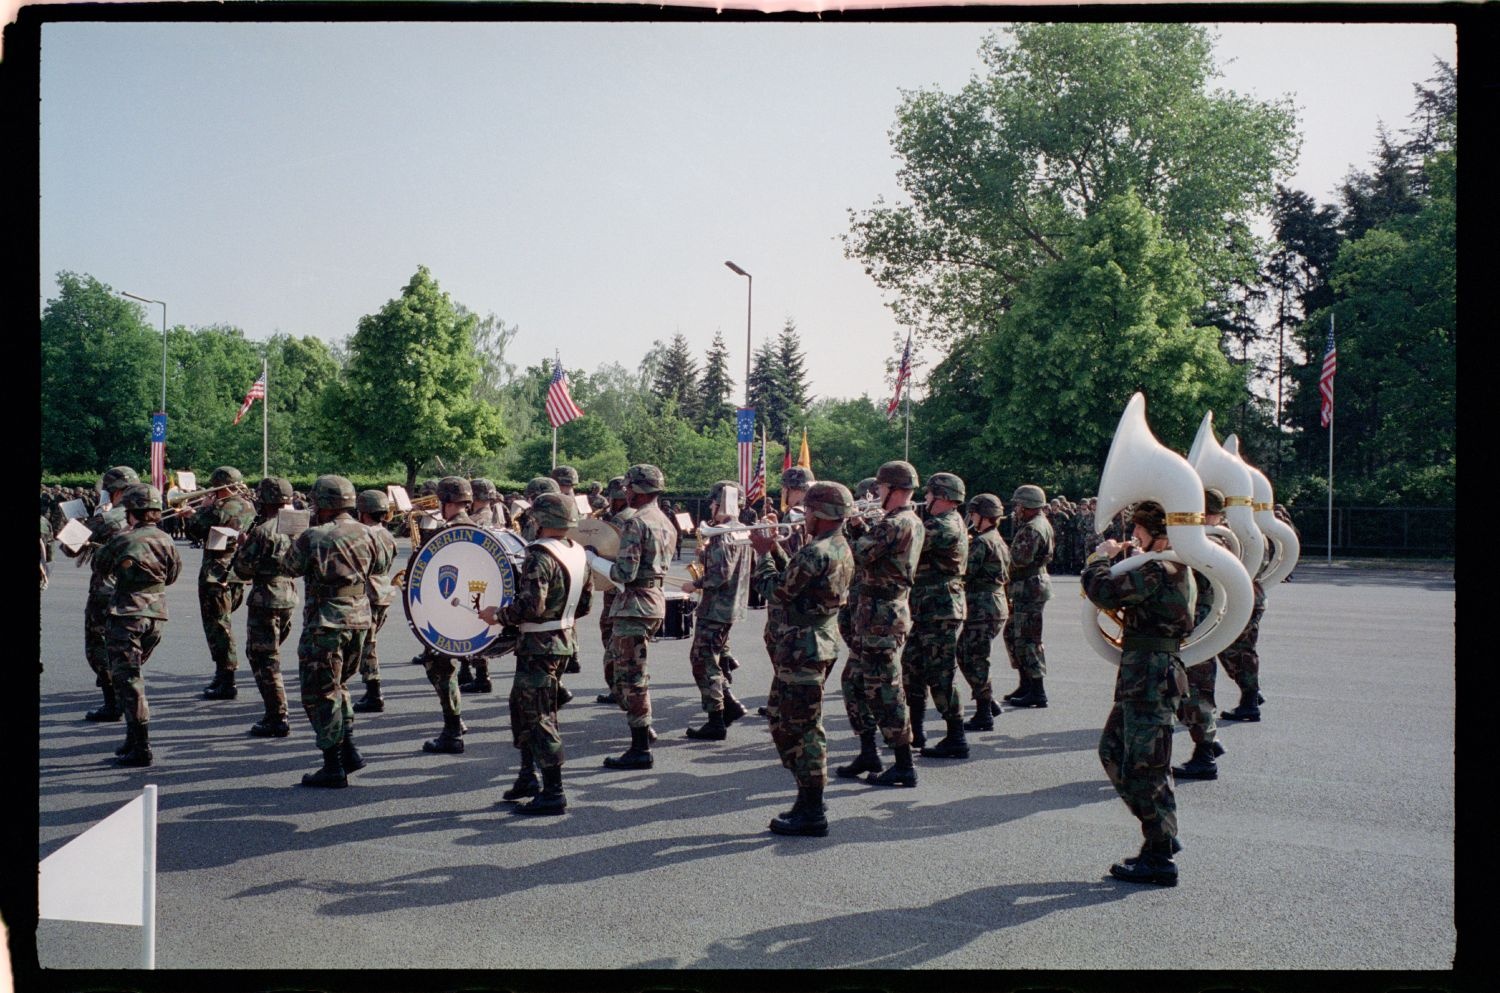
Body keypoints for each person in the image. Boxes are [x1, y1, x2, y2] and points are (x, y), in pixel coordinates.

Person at [1081, 500, 1193, 886]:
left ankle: (1159, 855)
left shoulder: (1160, 568)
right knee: (1114, 751)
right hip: (1143, 674)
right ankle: (1160, 830)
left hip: (1151, 675)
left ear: (1152, 532)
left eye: (1138, 532)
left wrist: (1100, 558)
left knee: (1147, 766)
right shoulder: (1162, 565)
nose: (1133, 537)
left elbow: (1103, 591)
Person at [750, 482, 856, 836]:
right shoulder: (836, 546)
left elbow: (779, 591)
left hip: (804, 646)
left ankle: (812, 809)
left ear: (821, 513)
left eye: (808, 510)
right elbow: (799, 580)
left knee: (803, 727)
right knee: (783, 718)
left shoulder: (817, 551)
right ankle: (809, 795)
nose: (804, 515)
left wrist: (763, 555)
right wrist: (778, 549)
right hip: (816, 642)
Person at [479, 492, 592, 815]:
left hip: (538, 646)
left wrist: (497, 615)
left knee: (539, 716)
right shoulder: (577, 552)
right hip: (562, 641)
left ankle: (553, 792)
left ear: (541, 520)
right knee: (522, 706)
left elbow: (531, 606)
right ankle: (528, 776)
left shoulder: (540, 555)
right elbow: (584, 605)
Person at [280, 475, 377, 787]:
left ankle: (332, 764)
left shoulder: (314, 536)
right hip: (361, 619)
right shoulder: (369, 533)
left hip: (326, 622)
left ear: (321, 504)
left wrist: (294, 538)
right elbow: (380, 566)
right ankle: (349, 749)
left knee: (320, 692)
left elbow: (289, 567)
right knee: (340, 686)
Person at [837, 460, 924, 787]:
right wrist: (859, 524)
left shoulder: (897, 523)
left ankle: (903, 762)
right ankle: (868, 750)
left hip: (882, 616)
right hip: (875, 613)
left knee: (885, 689)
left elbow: (858, 553)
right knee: (855, 681)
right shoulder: (899, 521)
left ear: (896, 490)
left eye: (882, 488)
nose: (877, 493)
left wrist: (845, 525)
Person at [94, 485, 182, 767]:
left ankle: (141, 746)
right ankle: (132, 738)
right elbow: (172, 575)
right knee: (131, 675)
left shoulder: (123, 538)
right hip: (156, 615)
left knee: (130, 679)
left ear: (130, 511)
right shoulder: (166, 538)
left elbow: (100, 566)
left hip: (127, 615)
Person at [596, 463, 675, 770]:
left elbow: (624, 573)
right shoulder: (665, 521)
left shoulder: (636, 522)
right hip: (651, 601)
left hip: (634, 605)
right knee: (619, 669)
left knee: (630, 675)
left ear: (639, 489)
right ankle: (643, 725)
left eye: (629, 487)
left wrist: (593, 559)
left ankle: (640, 747)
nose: (625, 492)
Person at [62, 465, 140, 722]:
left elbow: (68, 547)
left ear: (113, 492)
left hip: (106, 592)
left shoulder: (106, 519)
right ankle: (129, 702)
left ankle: (112, 702)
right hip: (138, 591)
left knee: (99, 647)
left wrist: (80, 521)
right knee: (127, 647)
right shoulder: (146, 516)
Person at [902, 471, 970, 758]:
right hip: (928, 608)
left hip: (940, 608)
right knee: (912, 666)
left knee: (940, 674)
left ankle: (956, 736)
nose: (925, 498)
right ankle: (917, 731)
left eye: (929, 494)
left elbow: (906, 543)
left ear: (941, 497)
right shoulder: (941, 521)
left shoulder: (944, 526)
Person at [680, 480, 752, 741]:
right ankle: (729, 706)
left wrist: (695, 584)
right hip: (731, 606)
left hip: (715, 608)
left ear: (723, 504)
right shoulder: (742, 530)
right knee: (712, 657)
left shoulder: (722, 533)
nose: (710, 506)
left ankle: (717, 718)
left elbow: (720, 574)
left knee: (703, 661)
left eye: (713, 501)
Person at [229, 477, 299, 738]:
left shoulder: (263, 531)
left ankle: (277, 716)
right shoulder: (297, 528)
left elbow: (242, 568)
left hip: (265, 597)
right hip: (289, 594)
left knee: (264, 657)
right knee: (272, 652)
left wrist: (241, 546)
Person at [416, 476, 479, 754]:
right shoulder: (476, 528)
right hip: (469, 612)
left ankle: (453, 729)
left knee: (439, 667)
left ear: (447, 503)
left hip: (450, 613)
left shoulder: (448, 533)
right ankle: (456, 723)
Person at [1171, 488, 1230, 780]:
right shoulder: (1211, 538)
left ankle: (1205, 755)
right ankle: (1209, 741)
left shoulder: (1214, 540)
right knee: (1191, 688)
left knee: (1194, 689)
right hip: (1200, 619)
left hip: (1200, 622)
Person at [185, 466, 256, 700]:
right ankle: (223, 675)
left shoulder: (217, 508)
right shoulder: (248, 506)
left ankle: (226, 678)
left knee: (217, 626)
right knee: (223, 623)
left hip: (215, 573)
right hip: (237, 573)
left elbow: (195, 533)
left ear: (219, 485)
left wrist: (193, 514)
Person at [959, 493, 1011, 733]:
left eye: (974, 513)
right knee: (971, 654)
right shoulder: (996, 538)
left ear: (983, 516)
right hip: (993, 603)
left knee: (974, 658)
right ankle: (989, 703)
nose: (971, 517)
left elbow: (965, 572)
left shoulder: (982, 542)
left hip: (983, 606)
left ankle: (983, 712)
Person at [1002, 483, 1055, 708]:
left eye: (1019, 505)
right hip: (1029, 586)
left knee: (1027, 639)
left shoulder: (1032, 528)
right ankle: (1026, 684)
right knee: (1014, 635)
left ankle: (1037, 690)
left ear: (1027, 505)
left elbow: (1018, 560)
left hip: (1029, 587)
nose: (1016, 509)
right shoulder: (1037, 524)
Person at [352, 490, 399, 714]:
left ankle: (374, 691)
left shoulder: (363, 534)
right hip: (383, 589)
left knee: (367, 643)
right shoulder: (387, 535)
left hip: (368, 591)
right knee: (369, 640)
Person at [594, 475, 634, 707]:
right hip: (632, 589)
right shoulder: (638, 515)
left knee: (611, 634)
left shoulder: (621, 519)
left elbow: (608, 550)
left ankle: (617, 686)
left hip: (616, 587)